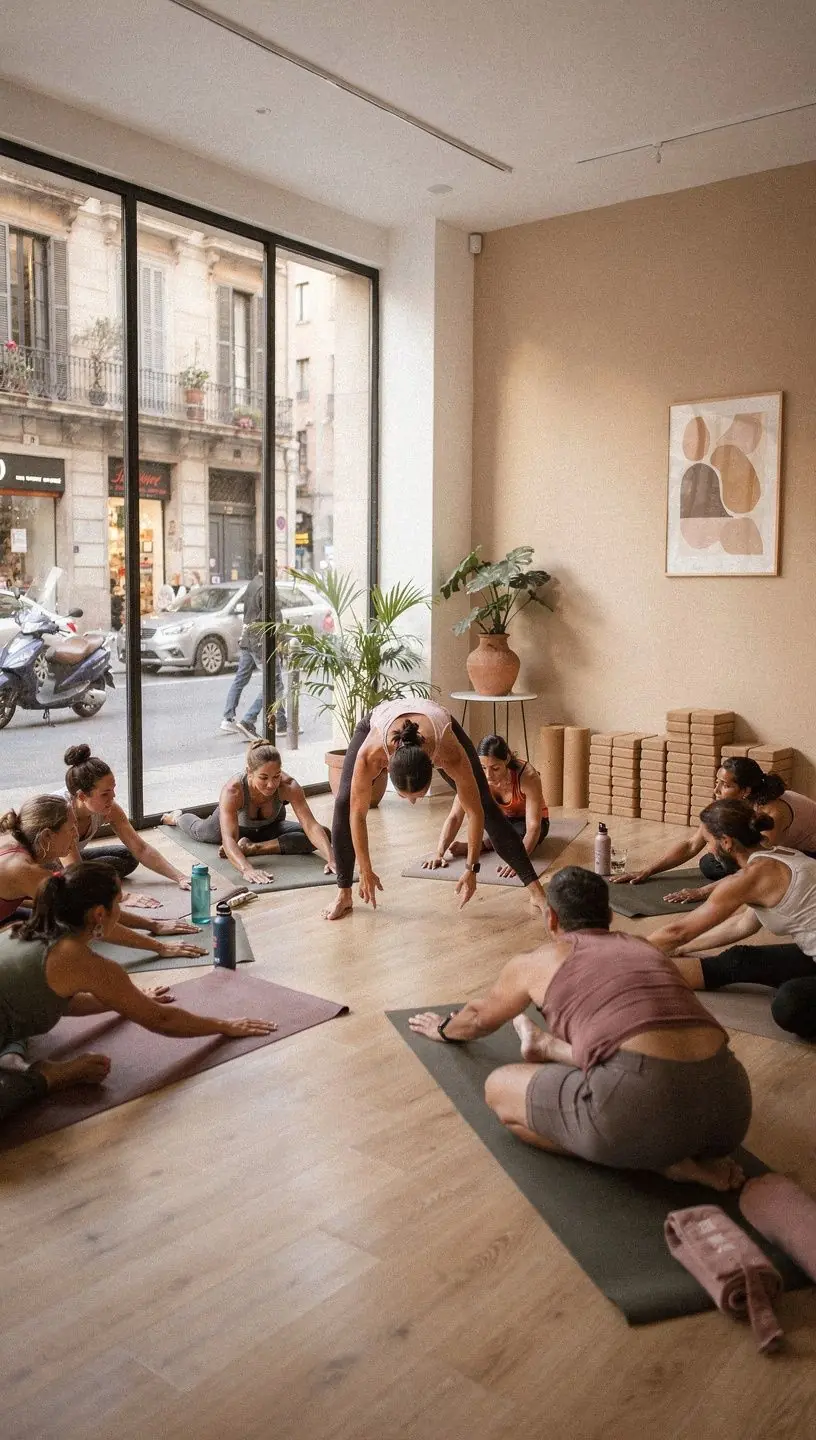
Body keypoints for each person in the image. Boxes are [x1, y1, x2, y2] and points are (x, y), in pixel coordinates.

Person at [408, 866, 750, 1189]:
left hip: (640, 1105)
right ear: (610, 916)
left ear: (551, 917)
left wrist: (443, 1028)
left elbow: (479, 1020)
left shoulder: (534, 962)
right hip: (732, 1107)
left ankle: (658, 1162)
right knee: (627, 1042)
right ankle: (546, 1048)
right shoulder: (646, 948)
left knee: (498, 1089)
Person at [0, 862, 276, 1125]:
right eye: (118, 904)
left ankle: (10, 1058)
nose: (119, 910)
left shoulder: (23, 930)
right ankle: (47, 1076)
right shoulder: (79, 960)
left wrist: (122, 1002)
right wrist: (225, 1025)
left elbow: (54, 1001)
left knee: (18, 1024)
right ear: (99, 914)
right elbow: (162, 1020)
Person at [325, 697, 548, 922]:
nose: (412, 803)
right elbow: (357, 814)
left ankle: (537, 892)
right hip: (379, 720)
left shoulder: (449, 752)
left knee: (484, 802)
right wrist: (364, 869)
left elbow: (475, 812)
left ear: (434, 769)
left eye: (418, 796)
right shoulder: (371, 755)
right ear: (387, 767)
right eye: (405, 796)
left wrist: (472, 868)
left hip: (438, 723)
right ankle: (344, 895)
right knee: (344, 802)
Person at [648, 799, 816, 1040]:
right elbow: (743, 924)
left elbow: (678, 931)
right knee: (739, 959)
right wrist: (683, 949)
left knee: (790, 1004)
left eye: (708, 842)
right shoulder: (779, 855)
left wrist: (620, 956)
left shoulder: (751, 876)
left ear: (726, 842)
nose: (708, 850)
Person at [1, 796, 205, 958]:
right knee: (67, 939)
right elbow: (93, 917)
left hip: (10, 910)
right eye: (70, 829)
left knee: (62, 917)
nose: (75, 835)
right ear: (46, 837)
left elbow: (86, 903)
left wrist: (153, 925)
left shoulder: (19, 840)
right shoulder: (25, 870)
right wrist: (159, 946)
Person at [162, 740, 332, 887]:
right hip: (236, 828)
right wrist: (247, 869)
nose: (271, 784)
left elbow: (310, 825)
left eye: (276, 776)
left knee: (324, 834)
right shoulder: (233, 790)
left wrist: (332, 859)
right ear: (249, 772)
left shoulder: (288, 786)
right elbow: (228, 839)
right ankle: (177, 817)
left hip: (269, 828)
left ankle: (252, 848)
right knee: (199, 830)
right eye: (263, 778)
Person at [613, 757, 767, 904]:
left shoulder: (765, 816)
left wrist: (703, 892)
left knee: (742, 871)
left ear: (745, 791)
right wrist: (648, 871)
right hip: (742, 862)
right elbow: (690, 846)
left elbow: (758, 868)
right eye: (716, 783)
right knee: (709, 863)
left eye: (725, 785)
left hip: (763, 868)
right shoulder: (722, 810)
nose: (716, 790)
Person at [61, 745, 190, 889]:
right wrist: (123, 897)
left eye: (113, 789)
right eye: (105, 794)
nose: (113, 797)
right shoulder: (61, 812)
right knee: (77, 880)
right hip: (42, 867)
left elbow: (140, 848)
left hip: (69, 861)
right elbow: (75, 871)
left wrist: (180, 877)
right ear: (82, 796)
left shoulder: (108, 807)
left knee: (128, 856)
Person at [431, 734, 549, 879]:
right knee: (480, 815)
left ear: (506, 759)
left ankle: (484, 845)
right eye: (483, 768)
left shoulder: (528, 776)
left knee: (518, 832)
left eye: (495, 768)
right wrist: (439, 853)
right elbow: (455, 816)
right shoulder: (474, 775)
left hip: (528, 824)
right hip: (500, 821)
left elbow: (534, 826)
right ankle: (490, 842)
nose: (488, 775)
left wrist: (518, 862)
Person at [220, 557, 287, 742]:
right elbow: (274, 618)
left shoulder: (252, 584)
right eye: (276, 565)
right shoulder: (268, 587)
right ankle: (249, 719)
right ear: (270, 567)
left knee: (247, 678)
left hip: (249, 638)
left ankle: (280, 723)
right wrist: (280, 642)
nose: (278, 568)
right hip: (261, 641)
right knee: (274, 683)